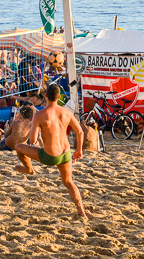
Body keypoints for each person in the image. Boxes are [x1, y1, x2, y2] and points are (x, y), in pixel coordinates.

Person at [14, 84, 89, 219]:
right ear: (59, 97)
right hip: (65, 155)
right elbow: (80, 132)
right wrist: (79, 150)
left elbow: (32, 140)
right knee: (69, 182)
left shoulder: (39, 114)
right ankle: (81, 211)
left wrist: (36, 129)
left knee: (19, 147)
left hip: (49, 156)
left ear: (46, 96)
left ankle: (29, 169)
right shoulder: (67, 112)